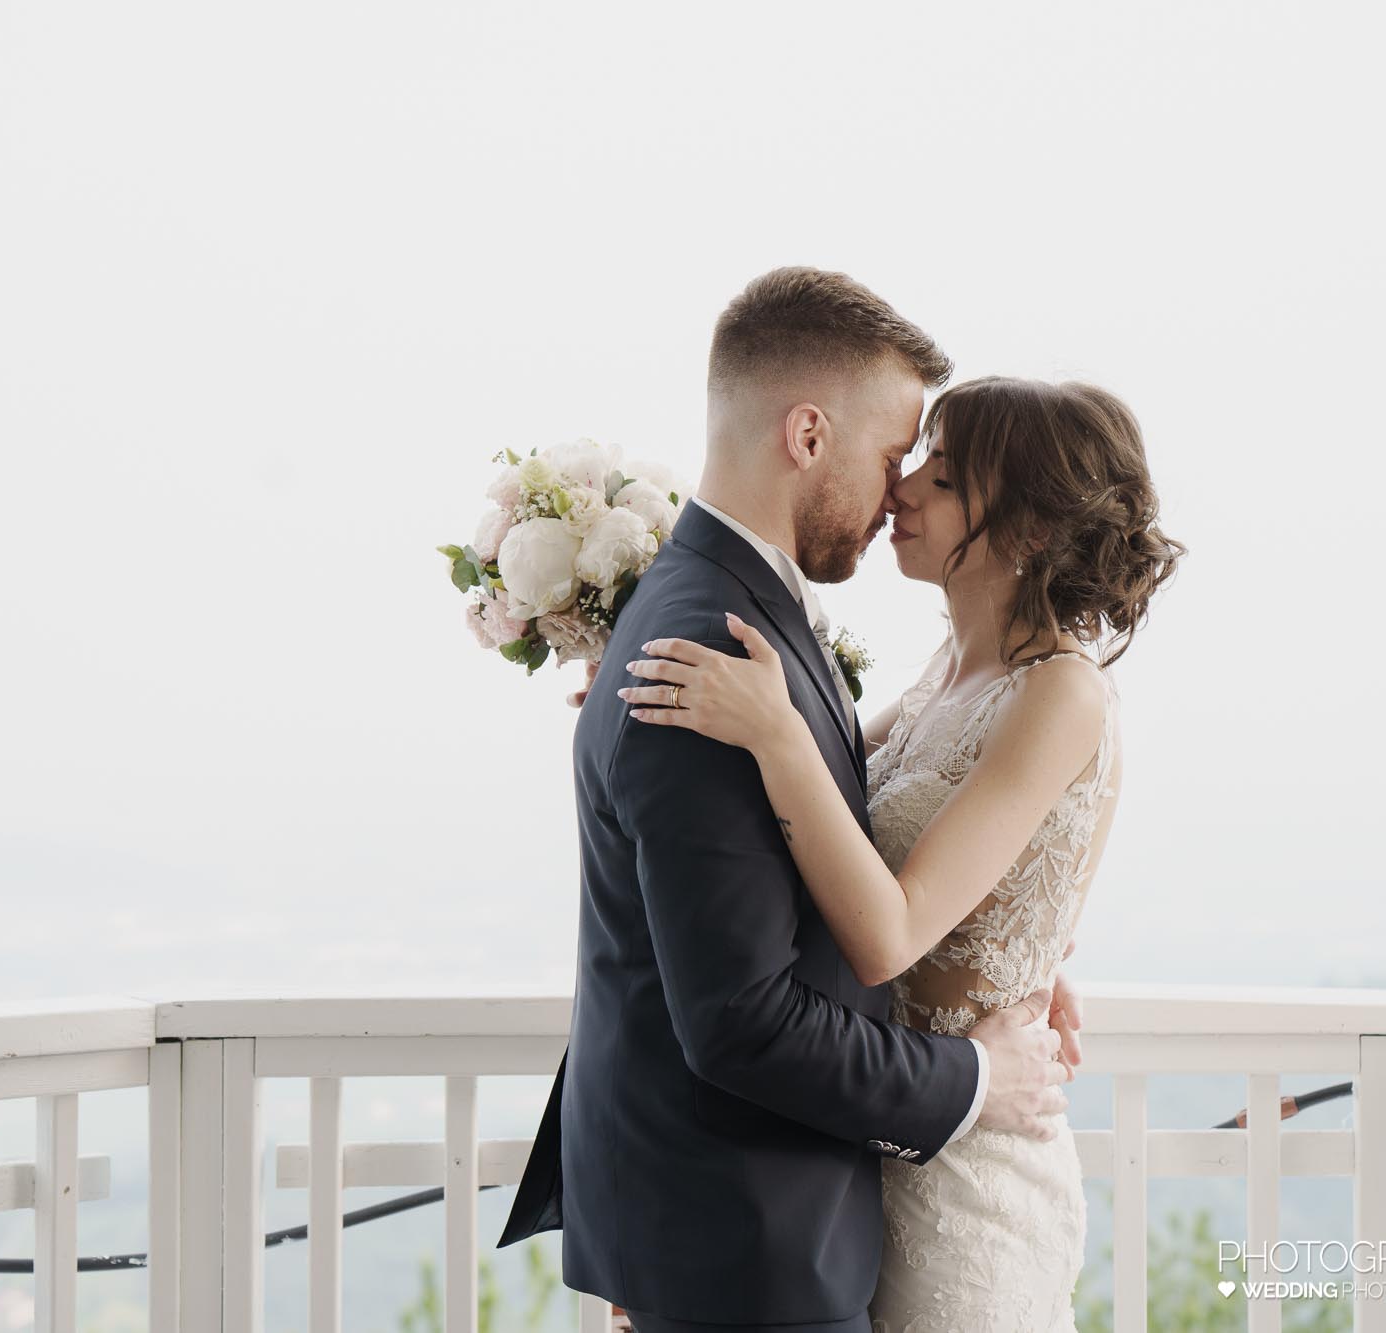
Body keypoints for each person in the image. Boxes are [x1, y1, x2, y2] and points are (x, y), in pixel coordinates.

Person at [497, 267, 1082, 1333]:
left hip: (766, 1228)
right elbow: (740, 1022)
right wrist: (972, 1078)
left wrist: (1015, 953)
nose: (898, 486)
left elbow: (875, 836)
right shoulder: (706, 648)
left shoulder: (731, 613)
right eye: (892, 450)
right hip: (749, 1249)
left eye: (924, 468)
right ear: (808, 434)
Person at [613, 372, 1182, 1330]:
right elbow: (806, 826)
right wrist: (647, 690)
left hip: (972, 1180)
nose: (903, 487)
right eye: (917, 460)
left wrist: (778, 732)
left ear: (1034, 528)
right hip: (861, 1150)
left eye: (947, 478)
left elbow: (892, 934)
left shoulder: (1061, 694)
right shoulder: (944, 673)